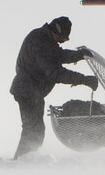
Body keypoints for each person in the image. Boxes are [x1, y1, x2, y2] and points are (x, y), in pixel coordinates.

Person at [9, 16, 98, 160]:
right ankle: (22, 161)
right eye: (62, 38)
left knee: (35, 129)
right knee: (33, 130)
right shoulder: (40, 41)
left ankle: (24, 160)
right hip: (28, 90)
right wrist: (83, 79)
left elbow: (57, 54)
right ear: (56, 32)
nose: (62, 42)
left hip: (31, 91)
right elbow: (55, 72)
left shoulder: (43, 38)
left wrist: (77, 55)